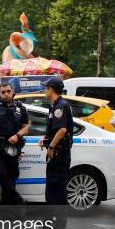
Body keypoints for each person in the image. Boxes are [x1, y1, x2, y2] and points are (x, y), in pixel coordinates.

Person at [0, 82, 30, 204]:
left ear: (12, 92)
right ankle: (18, 201)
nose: (6, 94)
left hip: (13, 145)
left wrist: (17, 135)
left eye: (8, 91)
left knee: (12, 176)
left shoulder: (20, 108)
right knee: (0, 172)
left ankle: (10, 209)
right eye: (3, 92)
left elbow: (26, 127)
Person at [40, 77, 73, 205]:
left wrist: (51, 147)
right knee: (53, 188)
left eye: (46, 88)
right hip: (58, 154)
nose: (44, 91)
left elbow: (62, 130)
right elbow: (56, 129)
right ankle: (52, 220)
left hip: (59, 154)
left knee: (56, 189)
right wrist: (45, 138)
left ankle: (57, 222)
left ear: (51, 89)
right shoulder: (57, 105)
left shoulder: (60, 106)